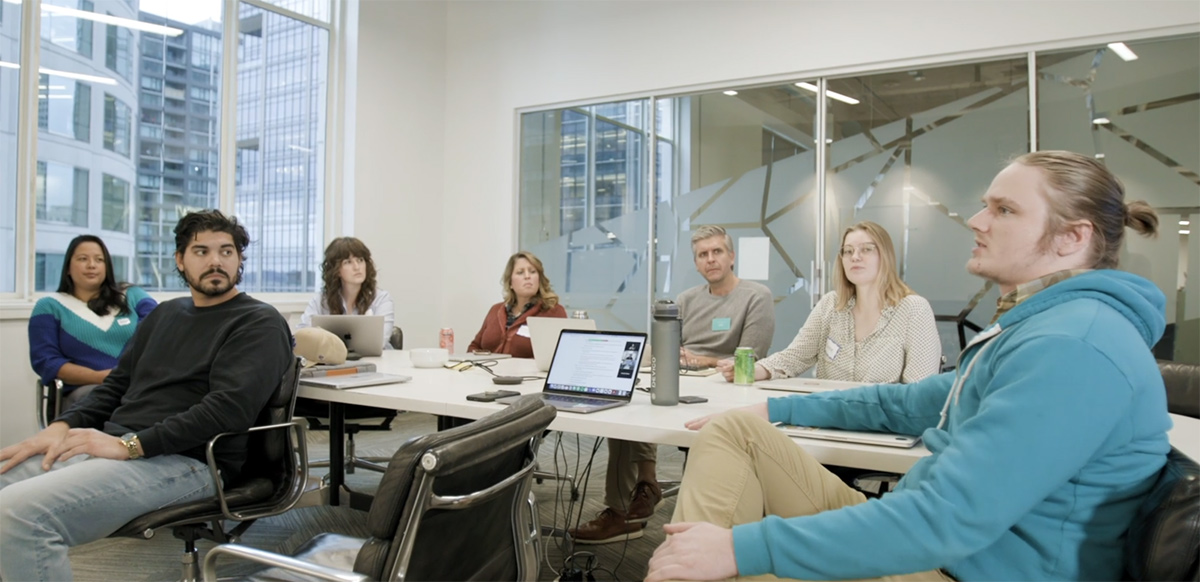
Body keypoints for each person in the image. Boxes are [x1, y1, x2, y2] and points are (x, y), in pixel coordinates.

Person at [645, 151, 1169, 582]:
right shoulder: (1037, 325)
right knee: (736, 431)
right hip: (935, 535)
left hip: (955, 566)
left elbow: (949, 518)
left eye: (1004, 210)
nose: (977, 220)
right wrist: (772, 405)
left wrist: (741, 549)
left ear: (1071, 238)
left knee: (729, 563)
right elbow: (909, 401)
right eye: (986, 206)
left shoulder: (1075, 345)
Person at [0, 210, 294, 582]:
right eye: (201, 251)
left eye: (227, 251)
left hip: (188, 462)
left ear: (239, 260)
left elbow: (228, 411)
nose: (216, 260)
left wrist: (131, 445)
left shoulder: (258, 321)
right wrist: (60, 426)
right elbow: (115, 386)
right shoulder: (165, 314)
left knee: (20, 514)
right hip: (118, 449)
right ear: (180, 261)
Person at [571, 225, 775, 544]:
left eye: (717, 252)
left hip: (726, 386)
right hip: (680, 377)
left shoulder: (755, 296)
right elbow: (667, 348)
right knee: (626, 408)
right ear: (695, 263)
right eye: (702, 255)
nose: (710, 259)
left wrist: (701, 360)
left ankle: (654, 499)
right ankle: (632, 499)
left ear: (731, 257)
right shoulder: (686, 299)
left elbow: (751, 358)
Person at [718, 221, 941, 385]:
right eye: (848, 251)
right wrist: (748, 370)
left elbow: (920, 392)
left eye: (866, 250)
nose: (855, 257)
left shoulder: (913, 309)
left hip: (887, 427)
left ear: (886, 256)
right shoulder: (831, 305)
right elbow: (796, 356)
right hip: (830, 419)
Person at [28, 235, 158, 411]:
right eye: (83, 259)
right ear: (67, 268)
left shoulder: (132, 295)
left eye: (99, 260)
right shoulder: (50, 306)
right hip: (86, 391)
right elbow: (46, 362)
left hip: (138, 385)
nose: (92, 265)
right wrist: (100, 377)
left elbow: (159, 327)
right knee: (110, 400)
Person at [299, 237, 395, 350]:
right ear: (336, 270)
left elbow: (380, 341)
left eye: (360, 260)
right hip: (334, 362)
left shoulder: (381, 299)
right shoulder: (321, 301)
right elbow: (303, 335)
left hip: (377, 362)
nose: (356, 267)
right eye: (348, 262)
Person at [467, 251, 566, 358]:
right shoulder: (496, 310)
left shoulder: (553, 311)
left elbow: (562, 355)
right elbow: (475, 346)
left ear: (539, 279)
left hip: (528, 374)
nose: (527, 276)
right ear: (510, 283)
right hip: (487, 373)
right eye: (520, 272)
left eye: (533, 272)